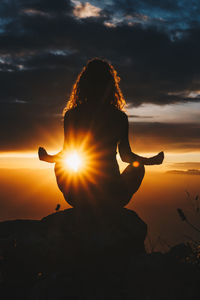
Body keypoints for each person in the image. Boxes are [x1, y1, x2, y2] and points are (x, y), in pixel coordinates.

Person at [38, 58, 164, 209]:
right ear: (110, 87)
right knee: (138, 167)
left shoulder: (72, 115)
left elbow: (66, 153)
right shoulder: (119, 117)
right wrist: (150, 161)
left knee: (59, 165)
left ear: (83, 85)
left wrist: (48, 158)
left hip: (79, 196)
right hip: (113, 195)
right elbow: (126, 156)